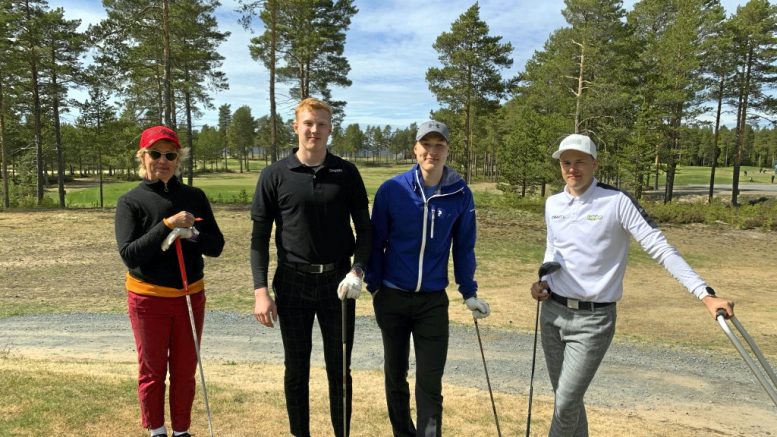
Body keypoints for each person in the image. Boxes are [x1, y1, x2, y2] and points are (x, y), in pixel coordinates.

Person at [530, 133, 735, 437]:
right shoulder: (553, 203)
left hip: (593, 321)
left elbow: (661, 248)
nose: (572, 168)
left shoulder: (617, 201)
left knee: (565, 401)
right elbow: (553, 250)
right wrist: (543, 281)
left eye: (580, 162)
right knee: (568, 400)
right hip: (552, 313)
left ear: (594, 163)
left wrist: (705, 294)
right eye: (566, 162)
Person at [250, 97, 372, 437]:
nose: (314, 129)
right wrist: (261, 291)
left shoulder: (346, 173)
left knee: (339, 369)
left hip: (339, 281)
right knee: (296, 369)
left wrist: (358, 270)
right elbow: (259, 237)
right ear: (296, 127)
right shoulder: (274, 175)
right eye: (308, 123)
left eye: (321, 123)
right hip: (292, 282)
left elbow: (365, 230)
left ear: (331, 129)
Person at [366, 120, 491, 437]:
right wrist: (374, 285)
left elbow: (464, 247)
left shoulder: (460, 194)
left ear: (448, 150)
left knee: (430, 383)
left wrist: (469, 292)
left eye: (439, 145)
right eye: (426, 144)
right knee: (395, 376)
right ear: (415, 149)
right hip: (392, 298)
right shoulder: (393, 190)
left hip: (432, 303)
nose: (432, 151)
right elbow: (375, 241)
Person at [115, 125, 225, 437]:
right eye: (155, 153)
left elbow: (216, 246)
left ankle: (181, 431)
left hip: (191, 296)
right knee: (152, 371)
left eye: (170, 155)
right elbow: (130, 254)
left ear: (178, 159)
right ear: (142, 156)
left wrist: (194, 234)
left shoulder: (194, 196)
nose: (162, 160)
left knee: (184, 370)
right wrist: (166, 225)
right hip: (148, 298)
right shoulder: (130, 202)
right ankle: (157, 430)